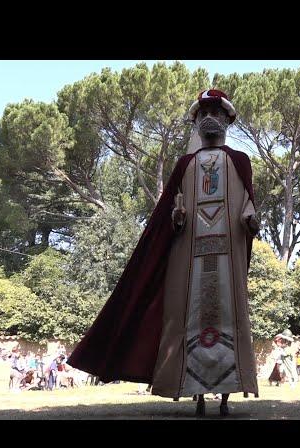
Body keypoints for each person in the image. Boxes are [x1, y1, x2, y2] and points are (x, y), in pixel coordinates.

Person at [69, 89, 260, 418]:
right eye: (203, 114)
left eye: (216, 113)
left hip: (228, 254)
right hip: (188, 256)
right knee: (187, 318)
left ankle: (227, 394)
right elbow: (174, 205)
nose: (210, 119)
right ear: (196, 123)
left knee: (229, 316)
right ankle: (195, 395)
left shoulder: (240, 160)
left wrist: (250, 218)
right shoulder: (185, 164)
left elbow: (247, 201)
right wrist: (176, 216)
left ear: (229, 120)